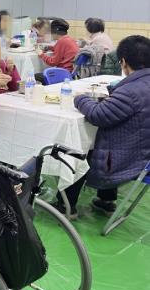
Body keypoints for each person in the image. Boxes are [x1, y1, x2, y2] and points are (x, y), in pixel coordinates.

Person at [53, 35, 150, 219]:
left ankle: (65, 206)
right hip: (142, 153)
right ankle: (106, 201)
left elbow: (98, 115)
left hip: (131, 160)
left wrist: (80, 98)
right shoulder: (141, 84)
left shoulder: (131, 91)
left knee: (79, 149)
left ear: (123, 62)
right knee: (108, 140)